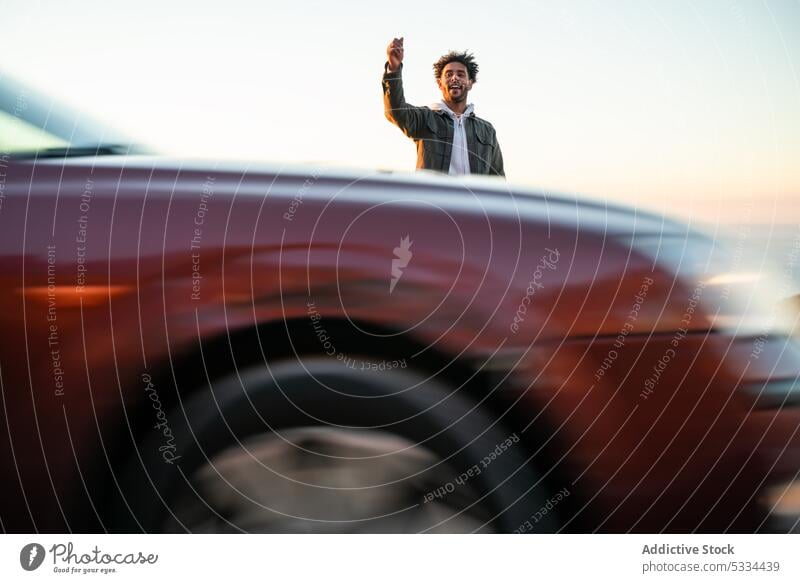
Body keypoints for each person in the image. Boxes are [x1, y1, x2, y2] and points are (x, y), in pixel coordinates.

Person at [382, 37, 504, 177]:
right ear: (440, 83)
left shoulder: (487, 130)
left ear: (470, 83)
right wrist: (394, 68)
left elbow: (498, 177)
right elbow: (395, 110)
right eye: (449, 74)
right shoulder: (425, 118)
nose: (454, 78)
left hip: (473, 199)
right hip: (434, 198)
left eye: (460, 74)